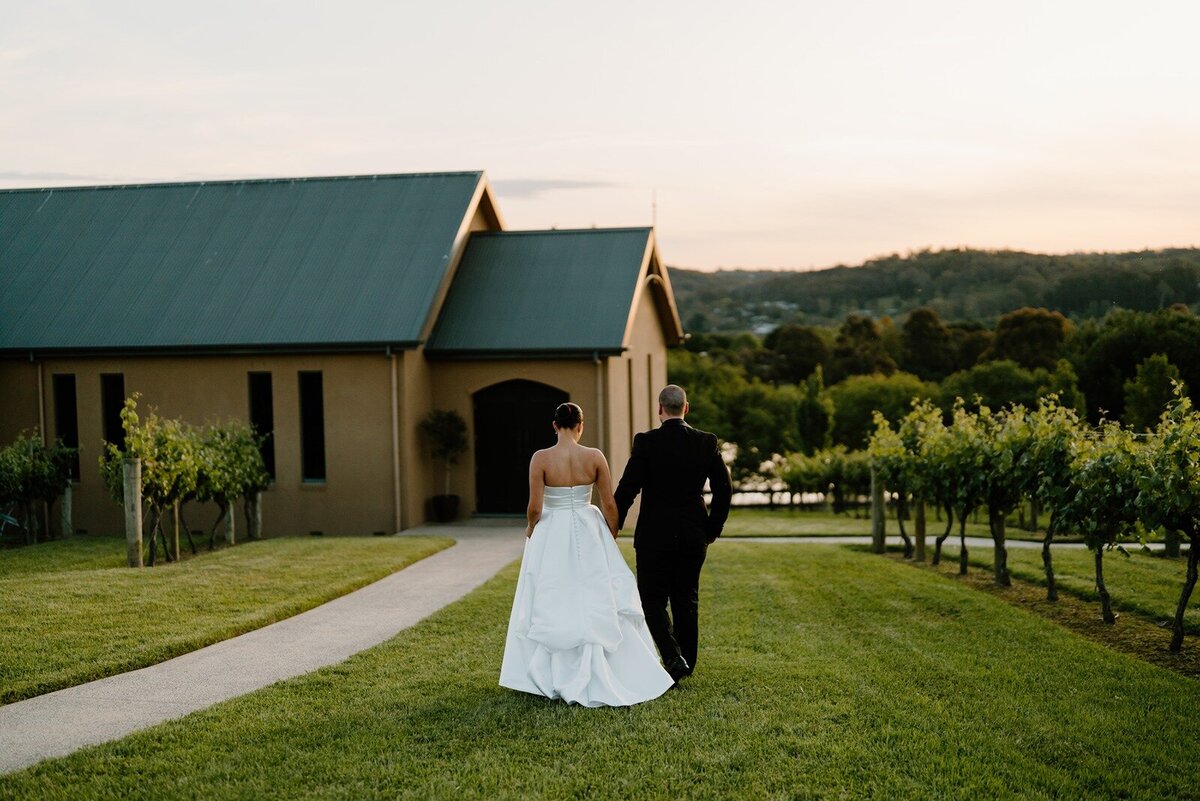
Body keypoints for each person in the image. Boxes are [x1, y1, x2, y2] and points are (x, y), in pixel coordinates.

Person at [499, 402, 674, 706]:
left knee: (553, 592)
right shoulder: (594, 457)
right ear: (581, 425)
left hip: (552, 530)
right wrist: (612, 533)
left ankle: (549, 672)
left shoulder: (541, 458)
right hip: (588, 526)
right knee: (596, 592)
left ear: (555, 426)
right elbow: (609, 504)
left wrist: (530, 528)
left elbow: (535, 507)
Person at [614, 384, 732, 682]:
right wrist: (712, 528)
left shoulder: (646, 442)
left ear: (659, 409)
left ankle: (671, 656)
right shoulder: (706, 442)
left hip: (654, 535)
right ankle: (685, 663)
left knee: (651, 600)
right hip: (694, 534)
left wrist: (612, 525)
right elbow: (724, 489)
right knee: (686, 598)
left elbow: (628, 489)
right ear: (686, 408)